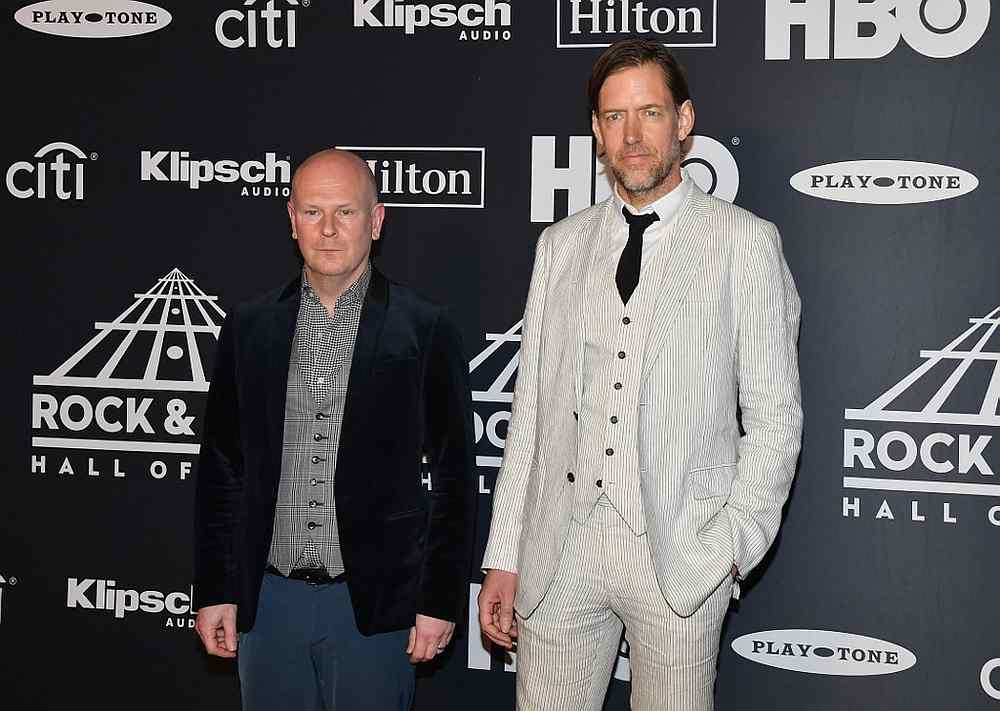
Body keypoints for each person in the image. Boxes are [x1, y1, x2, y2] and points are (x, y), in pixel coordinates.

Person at [478, 38, 803, 711]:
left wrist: (732, 545)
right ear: (597, 130)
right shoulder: (560, 245)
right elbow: (531, 415)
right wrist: (503, 552)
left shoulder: (744, 243)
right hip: (560, 547)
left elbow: (775, 417)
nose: (632, 135)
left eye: (649, 113)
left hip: (681, 553)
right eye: (615, 116)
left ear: (683, 121)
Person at [193, 148, 476, 711]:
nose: (327, 230)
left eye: (345, 212)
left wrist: (439, 599)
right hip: (269, 605)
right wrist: (216, 589)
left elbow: (455, 477)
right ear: (291, 219)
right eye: (313, 212)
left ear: (376, 220)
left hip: (373, 610)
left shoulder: (424, 327)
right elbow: (221, 466)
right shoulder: (249, 327)